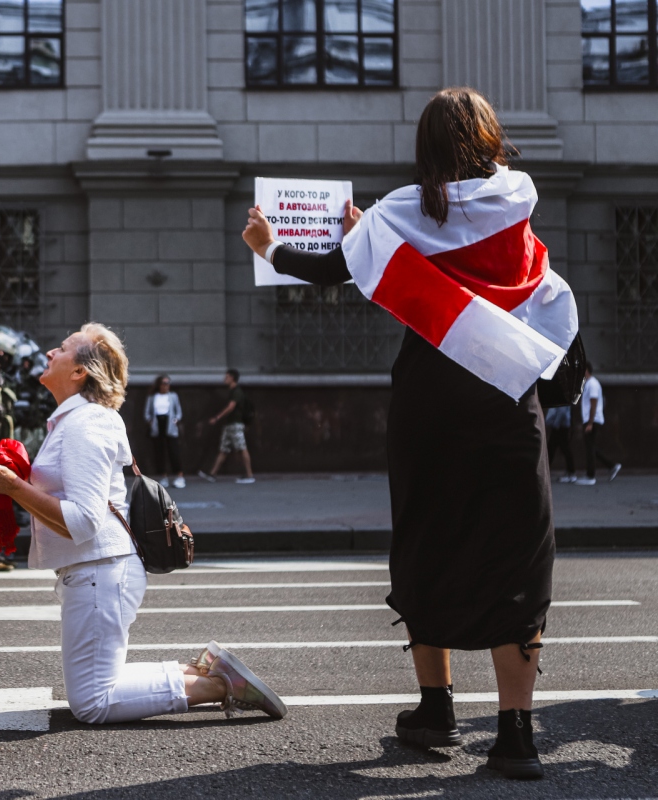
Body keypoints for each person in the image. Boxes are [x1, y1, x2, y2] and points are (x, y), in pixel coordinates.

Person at [242, 87, 576, 781]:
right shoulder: (519, 205)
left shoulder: (402, 210)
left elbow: (336, 268)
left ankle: (436, 709)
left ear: (424, 147)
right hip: (507, 402)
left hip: (431, 403)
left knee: (427, 538)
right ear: (491, 140)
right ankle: (516, 734)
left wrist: (270, 247)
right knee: (518, 554)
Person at [0, 323, 287, 725]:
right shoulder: (74, 422)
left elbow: (84, 521)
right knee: (97, 687)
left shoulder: (85, 424)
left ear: (79, 372)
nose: (51, 351)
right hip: (95, 571)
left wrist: (13, 486)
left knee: (92, 703)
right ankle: (198, 673)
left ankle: (221, 686)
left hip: (100, 571)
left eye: (63, 348)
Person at [199, 369, 255, 484]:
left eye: (227, 377)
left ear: (232, 378)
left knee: (242, 448)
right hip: (229, 425)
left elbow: (231, 407)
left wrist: (217, 418)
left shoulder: (236, 391)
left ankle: (250, 476)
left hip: (235, 424)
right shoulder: (232, 391)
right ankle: (212, 474)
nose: (225, 379)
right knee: (224, 450)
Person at [576, 363, 621, 485]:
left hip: (593, 420)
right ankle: (611, 466)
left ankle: (591, 476)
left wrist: (590, 423)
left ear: (586, 370)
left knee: (590, 448)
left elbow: (594, 403)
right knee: (591, 447)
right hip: (591, 420)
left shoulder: (593, 384)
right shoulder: (589, 384)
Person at [144, 375, 185, 488]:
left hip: (170, 424)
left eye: (168, 383)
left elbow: (178, 411)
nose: (166, 385)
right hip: (157, 425)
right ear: (159, 384)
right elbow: (147, 412)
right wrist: (150, 422)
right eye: (164, 383)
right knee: (160, 452)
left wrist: (176, 420)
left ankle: (180, 476)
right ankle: (163, 476)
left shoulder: (173, 396)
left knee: (174, 451)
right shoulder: (152, 397)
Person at [545, 406, 576, 483]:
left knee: (553, 449)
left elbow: (562, 411)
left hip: (560, 426)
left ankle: (571, 473)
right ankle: (571, 472)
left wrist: (555, 425)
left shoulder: (560, 395)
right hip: (562, 425)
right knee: (561, 449)